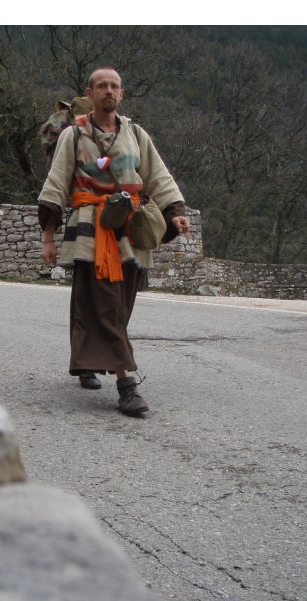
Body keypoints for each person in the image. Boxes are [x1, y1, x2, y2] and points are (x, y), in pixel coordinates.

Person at [38, 66, 190, 417]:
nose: (109, 90)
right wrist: (48, 236)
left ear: (121, 94)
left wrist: (175, 211)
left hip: (131, 231)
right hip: (91, 232)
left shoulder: (136, 134)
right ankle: (126, 384)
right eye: (102, 85)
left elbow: (158, 176)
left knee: (119, 305)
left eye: (115, 86)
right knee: (106, 305)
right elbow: (56, 184)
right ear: (90, 94)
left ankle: (86, 360)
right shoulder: (72, 136)